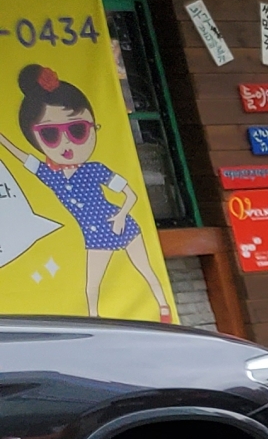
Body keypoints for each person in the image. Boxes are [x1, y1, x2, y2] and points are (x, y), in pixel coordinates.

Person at [0, 64, 171, 321]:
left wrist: (122, 215)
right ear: (34, 138)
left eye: (77, 130)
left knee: (145, 268)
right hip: (94, 235)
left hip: (121, 226)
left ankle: (162, 307)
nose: (66, 142)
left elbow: (131, 195)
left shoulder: (95, 170)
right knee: (92, 284)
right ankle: (94, 320)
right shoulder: (51, 175)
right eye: (49, 134)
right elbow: (23, 157)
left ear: (93, 127)